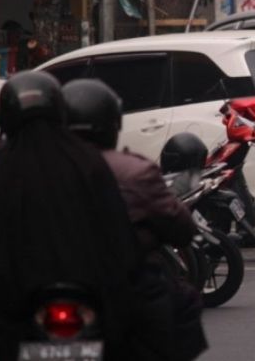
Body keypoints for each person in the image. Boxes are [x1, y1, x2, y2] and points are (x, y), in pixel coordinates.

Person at [0, 71, 138, 361]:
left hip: (23, 301)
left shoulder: (2, 169)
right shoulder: (86, 160)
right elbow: (117, 232)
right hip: (88, 292)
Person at [62, 78, 207, 361]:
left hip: (43, 287)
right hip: (121, 287)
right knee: (183, 304)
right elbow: (181, 228)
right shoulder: (133, 170)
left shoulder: (28, 170)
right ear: (112, 124)